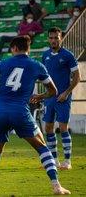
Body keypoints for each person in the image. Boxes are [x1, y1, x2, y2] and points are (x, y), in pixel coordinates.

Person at [0, 35, 70, 195]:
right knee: (43, 148)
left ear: (14, 48)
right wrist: (40, 96)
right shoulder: (36, 65)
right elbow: (54, 91)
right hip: (20, 112)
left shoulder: (3, 64)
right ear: (27, 48)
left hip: (0, 111)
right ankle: (56, 185)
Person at [42, 27, 80, 170]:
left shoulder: (68, 55)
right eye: (51, 38)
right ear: (48, 39)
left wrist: (66, 92)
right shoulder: (45, 55)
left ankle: (67, 161)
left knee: (63, 127)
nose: (53, 40)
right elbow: (44, 77)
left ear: (61, 38)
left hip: (63, 97)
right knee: (48, 128)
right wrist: (43, 94)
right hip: (49, 98)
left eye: (56, 38)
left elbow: (77, 77)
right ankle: (54, 161)